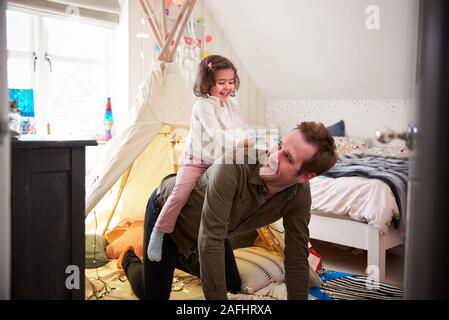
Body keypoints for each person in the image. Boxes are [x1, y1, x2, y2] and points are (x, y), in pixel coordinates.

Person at [121, 121, 337, 300]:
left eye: (287, 158)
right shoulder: (232, 164)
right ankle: (129, 258)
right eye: (278, 145)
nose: (273, 156)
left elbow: (297, 255)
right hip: (168, 215)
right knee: (154, 296)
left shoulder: (299, 194)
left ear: (304, 177)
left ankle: (176, 258)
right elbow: (211, 239)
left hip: (213, 227)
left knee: (233, 285)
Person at [147, 55, 253, 262]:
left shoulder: (232, 104)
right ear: (208, 82)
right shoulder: (203, 106)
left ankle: (216, 237)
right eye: (221, 83)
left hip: (220, 160)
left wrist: (244, 139)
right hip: (197, 159)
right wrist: (238, 143)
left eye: (231, 82)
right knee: (180, 193)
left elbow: (238, 128)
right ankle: (158, 233)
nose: (227, 87)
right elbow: (215, 133)